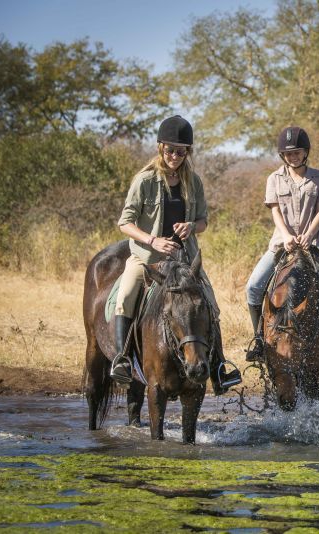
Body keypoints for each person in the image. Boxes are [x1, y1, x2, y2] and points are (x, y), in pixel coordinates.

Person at [111, 115, 242, 393]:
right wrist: (153, 241)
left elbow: (204, 221)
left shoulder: (193, 182)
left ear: (187, 152)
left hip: (184, 261)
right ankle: (122, 361)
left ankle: (219, 368)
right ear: (161, 148)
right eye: (170, 150)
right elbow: (125, 222)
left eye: (180, 151)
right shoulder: (144, 180)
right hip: (147, 259)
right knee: (124, 297)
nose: (174, 155)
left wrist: (192, 226)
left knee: (211, 304)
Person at [245, 126, 319, 360]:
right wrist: (286, 236)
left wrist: (308, 234)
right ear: (282, 155)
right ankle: (258, 340)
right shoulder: (274, 179)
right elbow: (275, 211)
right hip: (281, 242)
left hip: (315, 241)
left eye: (297, 152)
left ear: (306, 152)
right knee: (253, 287)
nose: (293, 156)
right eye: (288, 153)